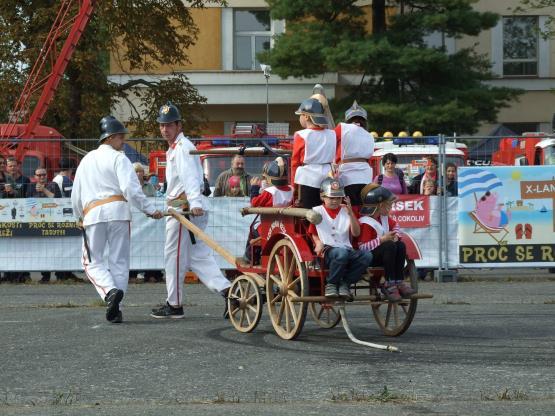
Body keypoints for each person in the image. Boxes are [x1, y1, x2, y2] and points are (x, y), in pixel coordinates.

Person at [72, 115, 163, 323]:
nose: (123, 142)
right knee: (119, 262)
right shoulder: (119, 158)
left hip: (93, 214)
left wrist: (78, 215)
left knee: (90, 261)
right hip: (119, 212)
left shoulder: (86, 160)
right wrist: (149, 209)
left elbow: (76, 194)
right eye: (121, 137)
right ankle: (116, 303)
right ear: (110, 137)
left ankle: (110, 293)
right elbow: (131, 189)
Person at [150, 101, 231, 319]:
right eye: (161, 125)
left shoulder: (182, 148)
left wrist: (194, 203)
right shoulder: (177, 148)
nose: (164, 129)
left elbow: (191, 178)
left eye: (169, 125)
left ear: (178, 125)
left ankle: (174, 304)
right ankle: (229, 292)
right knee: (198, 256)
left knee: (173, 257)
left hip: (183, 209)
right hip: (186, 208)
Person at [308, 177, 373, 299]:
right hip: (328, 251)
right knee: (341, 254)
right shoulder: (317, 211)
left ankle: (345, 283)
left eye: (338, 198)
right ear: (323, 197)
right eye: (331, 198)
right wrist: (318, 243)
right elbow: (314, 232)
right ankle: (331, 283)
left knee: (367, 256)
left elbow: (356, 233)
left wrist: (350, 213)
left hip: (346, 249)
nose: (335, 201)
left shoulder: (346, 210)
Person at [357, 184, 417, 302]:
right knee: (389, 245)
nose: (391, 208)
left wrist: (396, 235)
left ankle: (399, 281)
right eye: (389, 205)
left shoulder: (383, 217)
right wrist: (382, 240)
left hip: (384, 254)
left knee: (400, 245)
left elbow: (396, 226)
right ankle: (389, 283)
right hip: (369, 258)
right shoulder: (365, 222)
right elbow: (362, 247)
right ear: (380, 205)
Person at [245, 157, 294, 262]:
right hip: (288, 225)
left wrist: (254, 188)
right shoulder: (291, 189)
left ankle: (251, 257)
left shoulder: (270, 191)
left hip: (269, 224)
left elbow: (254, 203)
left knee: (253, 228)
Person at [291, 98, 336, 209]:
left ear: (306, 116)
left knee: (309, 214)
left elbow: (295, 163)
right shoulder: (332, 134)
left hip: (308, 179)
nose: (299, 117)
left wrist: (294, 186)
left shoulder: (301, 135)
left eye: (300, 115)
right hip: (328, 176)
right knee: (327, 212)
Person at [334, 100, 375, 206]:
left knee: (349, 209)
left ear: (348, 119)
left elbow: (330, 140)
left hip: (348, 175)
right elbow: (370, 159)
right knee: (363, 208)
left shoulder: (342, 127)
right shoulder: (369, 135)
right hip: (365, 176)